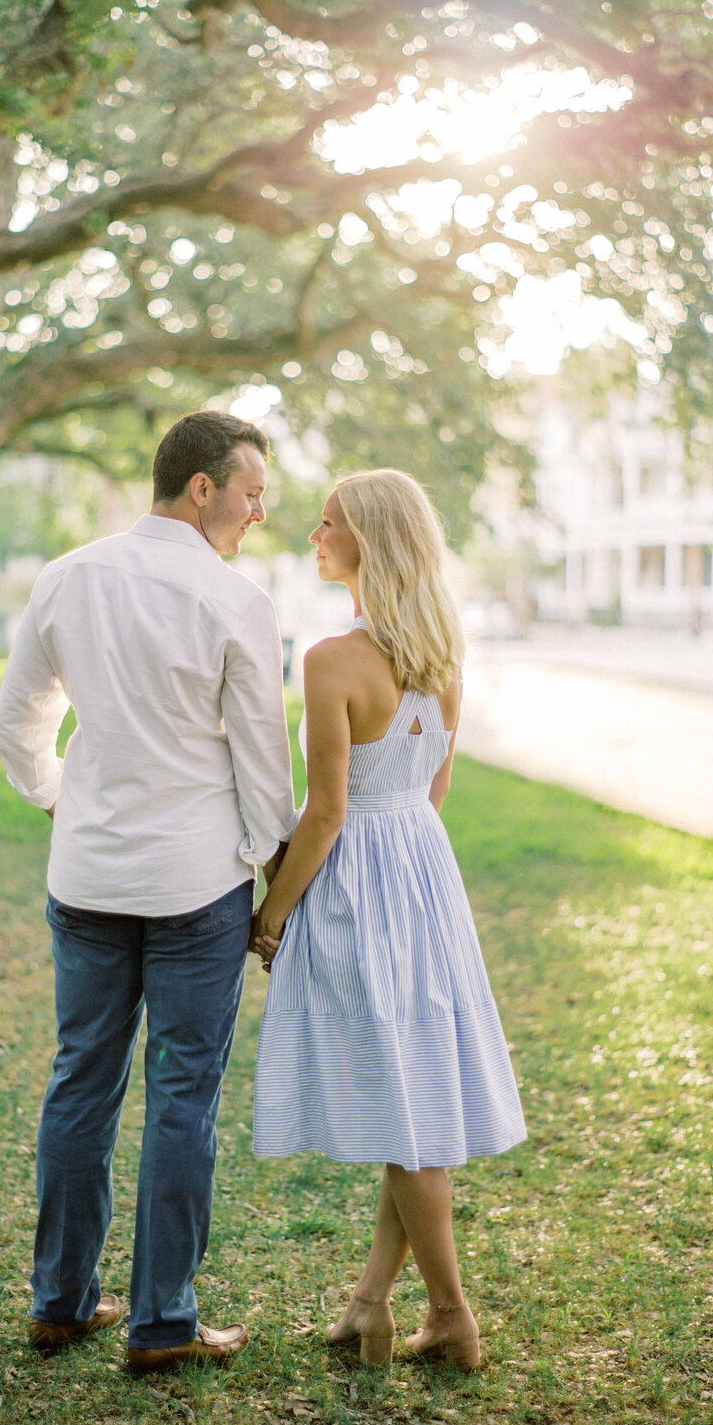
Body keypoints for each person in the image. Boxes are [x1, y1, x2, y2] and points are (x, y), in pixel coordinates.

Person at [0, 410, 296, 1372]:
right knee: (181, 1100)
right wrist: (266, 874)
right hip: (195, 889)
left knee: (80, 1081)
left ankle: (59, 1301)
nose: (259, 512)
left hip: (86, 877)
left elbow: (18, 722)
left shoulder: (66, 577)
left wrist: (54, 796)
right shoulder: (234, 602)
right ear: (200, 488)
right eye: (250, 493)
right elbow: (264, 768)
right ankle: (161, 1322)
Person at [250, 469, 527, 1371]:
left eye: (326, 523)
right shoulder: (444, 655)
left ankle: (451, 1314)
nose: (312, 536)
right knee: (405, 1097)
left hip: (356, 882)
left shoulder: (333, 661)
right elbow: (434, 789)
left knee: (405, 1117)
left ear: (366, 539)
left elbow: (327, 814)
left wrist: (271, 916)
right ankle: (369, 1305)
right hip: (422, 875)